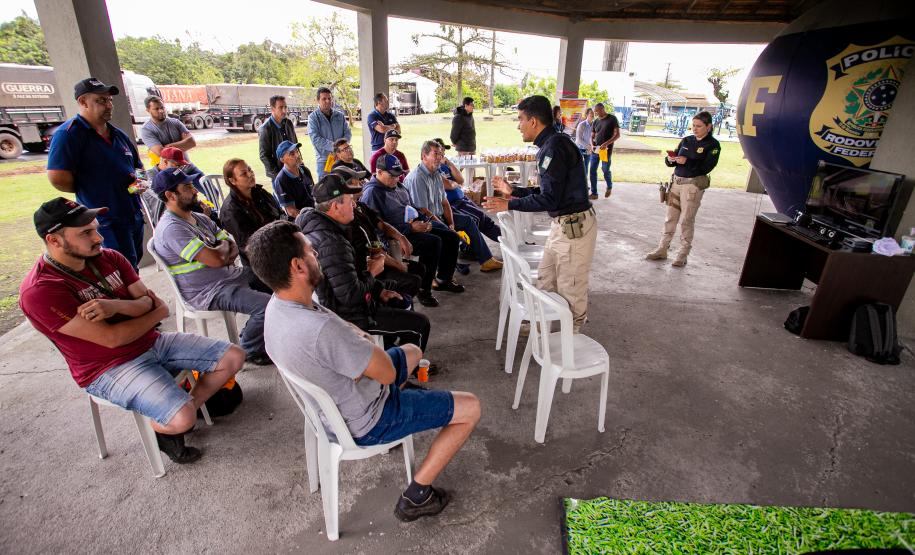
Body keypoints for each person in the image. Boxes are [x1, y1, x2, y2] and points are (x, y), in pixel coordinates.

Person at [249, 220, 480, 522]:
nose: (315, 252)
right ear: (298, 266)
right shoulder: (320, 330)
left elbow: (348, 336)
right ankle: (417, 495)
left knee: (413, 351)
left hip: (335, 401)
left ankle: (407, 399)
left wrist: (359, 351)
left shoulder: (279, 307)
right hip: (368, 419)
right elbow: (383, 372)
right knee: (471, 407)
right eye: (309, 250)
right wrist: (364, 349)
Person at [20, 198, 244, 463]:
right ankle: (171, 421)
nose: (98, 237)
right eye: (86, 233)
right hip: (107, 367)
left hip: (152, 341)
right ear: (54, 240)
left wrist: (115, 307)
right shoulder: (41, 290)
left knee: (234, 357)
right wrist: (145, 310)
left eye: (95, 228)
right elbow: (114, 339)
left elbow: (158, 307)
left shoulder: (109, 258)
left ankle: (182, 408)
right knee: (183, 418)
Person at [483, 95, 597, 333]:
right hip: (562, 225)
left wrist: (509, 205)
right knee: (546, 278)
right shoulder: (551, 145)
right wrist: (513, 191)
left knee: (571, 287)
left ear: (533, 121)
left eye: (520, 119)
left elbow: (548, 199)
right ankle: (541, 327)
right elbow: (549, 190)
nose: (518, 125)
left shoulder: (554, 147)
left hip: (574, 228)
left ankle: (570, 341)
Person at [298, 173, 432, 350]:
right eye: (348, 200)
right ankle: (401, 371)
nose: (354, 204)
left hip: (356, 302)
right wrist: (373, 272)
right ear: (335, 207)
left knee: (401, 298)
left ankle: (389, 352)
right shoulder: (332, 242)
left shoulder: (325, 227)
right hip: (349, 317)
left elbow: (349, 278)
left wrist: (379, 290)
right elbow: (350, 295)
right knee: (420, 324)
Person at [152, 168, 272, 365]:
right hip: (209, 290)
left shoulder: (199, 218)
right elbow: (217, 259)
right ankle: (249, 348)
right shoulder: (172, 229)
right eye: (188, 187)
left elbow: (229, 245)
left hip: (229, 276)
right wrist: (221, 253)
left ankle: (255, 330)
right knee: (267, 306)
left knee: (277, 281)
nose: (195, 190)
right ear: (170, 195)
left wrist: (221, 252)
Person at [47, 77, 147, 269]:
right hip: (104, 220)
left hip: (132, 213)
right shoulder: (69, 134)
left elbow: (138, 168)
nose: (109, 105)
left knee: (133, 265)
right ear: (83, 102)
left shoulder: (119, 134)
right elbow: (58, 178)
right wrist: (94, 188)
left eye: (109, 100)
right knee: (117, 269)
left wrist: (139, 185)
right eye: (101, 101)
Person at [361, 154, 464, 307]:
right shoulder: (372, 193)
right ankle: (424, 289)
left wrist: (425, 221)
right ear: (379, 172)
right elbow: (377, 228)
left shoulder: (399, 186)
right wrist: (409, 228)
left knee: (451, 237)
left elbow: (412, 208)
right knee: (433, 242)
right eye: (392, 175)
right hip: (392, 239)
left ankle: (444, 279)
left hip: (412, 227)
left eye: (398, 175)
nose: (397, 179)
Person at [404, 141, 502, 272]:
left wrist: (450, 223)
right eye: (435, 154)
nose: (439, 157)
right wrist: (447, 229)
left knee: (468, 220)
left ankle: (486, 260)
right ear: (424, 156)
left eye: (440, 154)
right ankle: (444, 277)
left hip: (438, 216)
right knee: (452, 236)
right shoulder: (417, 178)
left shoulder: (436, 175)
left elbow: (444, 202)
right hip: (425, 221)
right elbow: (423, 211)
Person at [332, 165, 424, 300]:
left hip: (380, 257)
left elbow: (381, 224)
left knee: (419, 269)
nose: (363, 182)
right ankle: (398, 307)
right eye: (357, 180)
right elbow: (373, 251)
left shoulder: (360, 207)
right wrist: (398, 265)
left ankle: (408, 303)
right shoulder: (348, 218)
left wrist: (401, 236)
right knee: (412, 280)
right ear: (346, 188)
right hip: (369, 270)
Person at [645, 111, 721, 268]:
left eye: (699, 126)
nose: (695, 129)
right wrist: (670, 159)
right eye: (693, 125)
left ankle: (682, 254)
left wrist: (687, 161)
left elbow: (707, 166)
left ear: (709, 126)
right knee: (670, 218)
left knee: (686, 220)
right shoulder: (687, 140)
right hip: (676, 183)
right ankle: (662, 249)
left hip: (692, 186)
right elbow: (672, 162)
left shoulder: (712, 145)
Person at [219, 158, 285, 271]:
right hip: (262, 261)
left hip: (280, 243)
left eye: (250, 169)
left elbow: (281, 214)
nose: (250, 174)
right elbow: (250, 246)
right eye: (244, 174)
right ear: (233, 181)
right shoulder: (231, 211)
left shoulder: (260, 193)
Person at [433, 138, 500, 244]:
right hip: (453, 204)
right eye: (439, 151)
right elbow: (450, 185)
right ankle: (470, 248)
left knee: (484, 218)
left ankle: (508, 240)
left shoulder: (445, 166)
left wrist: (449, 163)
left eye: (443, 150)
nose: (442, 153)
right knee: (477, 219)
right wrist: (454, 184)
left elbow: (460, 180)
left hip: (462, 199)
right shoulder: (432, 169)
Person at [307, 87, 352, 179]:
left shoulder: (340, 116)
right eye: (324, 99)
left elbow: (347, 133)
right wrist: (336, 148)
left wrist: (341, 150)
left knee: (346, 186)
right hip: (324, 161)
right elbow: (315, 139)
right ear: (318, 100)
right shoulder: (313, 118)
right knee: (326, 190)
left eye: (329, 98)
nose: (327, 101)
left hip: (342, 158)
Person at [140, 95, 196, 167]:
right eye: (156, 109)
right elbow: (161, 152)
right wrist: (183, 143)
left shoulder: (176, 122)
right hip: (166, 173)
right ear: (148, 110)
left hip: (186, 167)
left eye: (162, 107)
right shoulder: (146, 130)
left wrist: (169, 146)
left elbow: (192, 142)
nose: (161, 111)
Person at [258, 95, 298, 181]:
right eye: (280, 107)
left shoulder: (288, 123)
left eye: (285, 107)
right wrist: (277, 175)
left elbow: (295, 146)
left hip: (294, 169)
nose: (284, 110)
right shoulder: (265, 129)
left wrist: (299, 164)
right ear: (272, 109)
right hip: (279, 174)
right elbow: (264, 156)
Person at [272, 140, 315, 218]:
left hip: (313, 212)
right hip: (300, 220)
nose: (297, 155)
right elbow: (291, 211)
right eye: (292, 154)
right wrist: (311, 217)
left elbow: (314, 194)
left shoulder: (305, 170)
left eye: (297, 151)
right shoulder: (281, 180)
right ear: (282, 160)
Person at [589, 103, 620, 199]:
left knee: (605, 169)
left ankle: (609, 186)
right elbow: (592, 135)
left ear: (602, 109)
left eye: (597, 111)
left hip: (605, 151)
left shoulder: (612, 119)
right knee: (592, 170)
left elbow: (617, 135)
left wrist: (606, 144)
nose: (596, 113)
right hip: (596, 150)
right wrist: (592, 144)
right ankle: (594, 193)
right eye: (595, 111)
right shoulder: (595, 121)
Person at [575, 108, 595, 196]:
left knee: (586, 168)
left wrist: (592, 147)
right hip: (579, 149)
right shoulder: (582, 125)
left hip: (588, 150)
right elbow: (578, 139)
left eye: (593, 114)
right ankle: (578, 187)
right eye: (591, 114)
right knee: (579, 168)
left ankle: (584, 186)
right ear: (587, 115)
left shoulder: (594, 125)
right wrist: (589, 147)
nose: (592, 115)